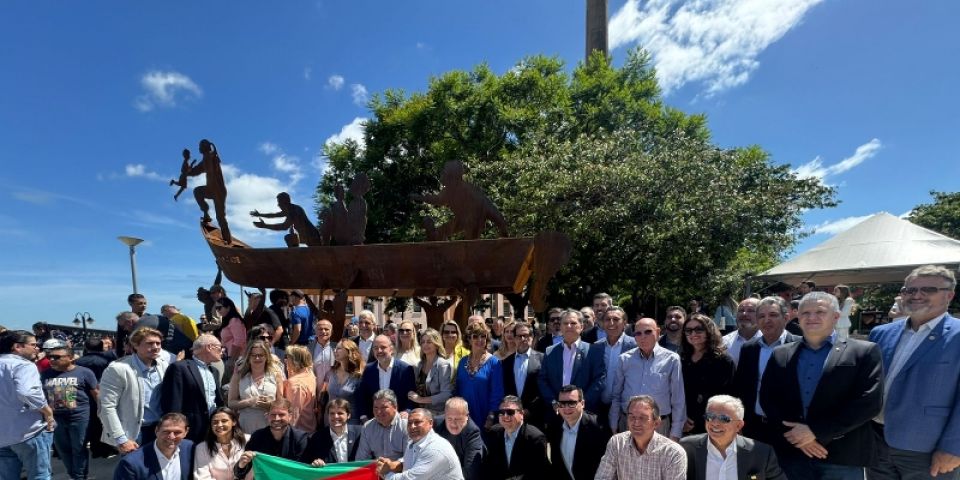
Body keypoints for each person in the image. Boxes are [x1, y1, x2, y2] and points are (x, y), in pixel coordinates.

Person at [759, 291, 883, 479]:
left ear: (836, 317)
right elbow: (768, 398)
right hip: (792, 452)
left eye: (820, 312)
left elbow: (868, 403)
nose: (812, 317)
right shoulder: (781, 353)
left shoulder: (863, 351)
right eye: (805, 313)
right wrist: (798, 436)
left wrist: (815, 432)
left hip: (842, 456)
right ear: (797, 317)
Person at [869, 265, 960, 479]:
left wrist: (954, 447)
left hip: (927, 448)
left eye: (928, 289)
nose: (916, 295)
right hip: (875, 442)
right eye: (909, 290)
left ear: (949, 295)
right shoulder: (881, 333)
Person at [732, 296, 801, 444]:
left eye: (773, 315)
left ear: (786, 318)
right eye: (761, 316)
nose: (766, 320)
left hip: (789, 430)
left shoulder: (801, 346)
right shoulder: (749, 348)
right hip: (754, 426)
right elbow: (741, 388)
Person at [609, 317, 685, 440]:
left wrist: (675, 432)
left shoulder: (671, 359)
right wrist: (613, 423)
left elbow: (678, 398)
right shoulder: (625, 359)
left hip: (658, 426)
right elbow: (616, 395)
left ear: (658, 332)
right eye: (638, 333)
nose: (643, 337)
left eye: (648, 332)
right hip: (628, 424)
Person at [679, 395, 785, 480]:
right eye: (710, 417)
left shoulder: (762, 453)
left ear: (739, 425)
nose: (715, 423)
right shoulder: (686, 448)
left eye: (724, 419)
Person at [99, 327, 170, 453]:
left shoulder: (163, 366)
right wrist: (121, 439)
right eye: (149, 343)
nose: (155, 347)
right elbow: (107, 407)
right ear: (136, 345)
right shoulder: (118, 369)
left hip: (159, 429)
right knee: (134, 465)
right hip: (134, 433)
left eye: (158, 343)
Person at [0, 330, 55, 480]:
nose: (37, 348)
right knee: (40, 475)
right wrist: (47, 411)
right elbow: (27, 392)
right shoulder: (23, 365)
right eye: (33, 345)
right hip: (28, 431)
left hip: (3, 436)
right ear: (17, 347)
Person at [40, 342, 99, 480]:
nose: (52, 360)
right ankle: (73, 475)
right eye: (50, 357)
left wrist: (103, 413)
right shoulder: (45, 374)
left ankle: (79, 476)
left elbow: (96, 393)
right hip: (56, 418)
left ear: (71, 358)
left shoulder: (84, 372)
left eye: (57, 357)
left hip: (79, 417)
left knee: (79, 448)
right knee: (63, 449)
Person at [538, 309, 605, 426]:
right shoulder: (550, 351)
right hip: (556, 414)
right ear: (561, 327)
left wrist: (580, 405)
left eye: (573, 323)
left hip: (584, 414)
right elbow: (542, 380)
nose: (569, 326)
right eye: (565, 323)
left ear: (581, 326)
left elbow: (599, 380)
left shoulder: (593, 351)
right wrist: (553, 402)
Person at [596, 395, 687, 480]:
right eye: (632, 417)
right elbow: (602, 477)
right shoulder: (617, 443)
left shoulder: (673, 453)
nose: (636, 423)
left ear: (656, 423)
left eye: (642, 418)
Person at [161, 334, 225, 443]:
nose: (222, 351)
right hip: (189, 432)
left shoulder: (214, 371)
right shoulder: (180, 367)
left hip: (212, 430)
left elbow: (217, 401)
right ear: (209, 347)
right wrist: (175, 429)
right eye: (220, 348)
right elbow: (173, 402)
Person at [679, 313, 735, 435]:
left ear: (709, 331)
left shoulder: (723, 361)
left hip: (712, 423)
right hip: (682, 422)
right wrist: (681, 417)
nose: (693, 333)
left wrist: (695, 418)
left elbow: (726, 396)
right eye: (688, 330)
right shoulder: (682, 359)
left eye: (698, 329)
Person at [375, 408, 464, 480]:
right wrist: (391, 465)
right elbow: (410, 462)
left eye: (417, 422)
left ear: (430, 423)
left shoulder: (436, 449)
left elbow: (410, 478)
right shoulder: (414, 443)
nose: (412, 426)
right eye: (409, 423)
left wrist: (386, 474)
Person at [234, 398, 310, 479]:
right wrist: (241, 464)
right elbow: (239, 474)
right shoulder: (257, 437)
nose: (276, 418)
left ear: (290, 416)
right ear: (267, 416)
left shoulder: (300, 438)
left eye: (281, 415)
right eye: (273, 415)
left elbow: (302, 471)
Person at [547, 385, 609, 480]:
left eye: (571, 403)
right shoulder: (554, 425)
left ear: (582, 403)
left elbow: (606, 466)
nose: (566, 408)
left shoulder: (598, 427)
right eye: (562, 403)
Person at [483, 396, 550, 479]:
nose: (505, 416)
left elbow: (538, 473)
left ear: (521, 414)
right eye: (502, 412)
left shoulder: (535, 438)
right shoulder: (494, 433)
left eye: (510, 412)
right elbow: (490, 468)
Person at [113, 413, 193, 480]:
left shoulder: (191, 449)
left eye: (177, 432)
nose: (171, 437)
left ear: (186, 432)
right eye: (166, 432)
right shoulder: (131, 463)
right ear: (156, 431)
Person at [455, 322, 505, 430]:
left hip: (485, 418)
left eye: (483, 336)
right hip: (464, 416)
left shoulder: (494, 362)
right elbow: (458, 389)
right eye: (475, 336)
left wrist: (491, 416)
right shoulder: (462, 362)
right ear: (469, 339)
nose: (480, 339)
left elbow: (497, 392)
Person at [229, 339, 285, 433]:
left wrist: (270, 405)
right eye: (253, 355)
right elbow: (231, 403)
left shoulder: (276, 375)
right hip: (246, 425)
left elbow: (281, 402)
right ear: (248, 357)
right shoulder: (239, 375)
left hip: (269, 425)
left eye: (260, 355)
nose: (257, 358)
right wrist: (250, 402)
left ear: (267, 356)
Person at [356, 335, 416, 421]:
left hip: (398, 419)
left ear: (391, 349)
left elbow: (411, 396)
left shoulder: (405, 369)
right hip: (374, 420)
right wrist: (363, 416)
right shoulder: (368, 369)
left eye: (383, 347)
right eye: (376, 348)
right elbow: (362, 395)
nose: (379, 351)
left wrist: (407, 411)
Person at [75, 336, 117, 458]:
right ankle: (105, 448)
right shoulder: (107, 361)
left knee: (91, 423)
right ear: (101, 347)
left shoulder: (78, 362)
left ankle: (94, 448)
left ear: (86, 347)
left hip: (84, 396)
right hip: (105, 393)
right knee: (105, 422)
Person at [502, 321, 546, 430]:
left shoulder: (543, 359)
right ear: (514, 338)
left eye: (526, 335)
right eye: (519, 336)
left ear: (532, 337)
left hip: (535, 416)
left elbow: (544, 388)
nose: (523, 339)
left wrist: (529, 410)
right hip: (511, 417)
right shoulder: (506, 363)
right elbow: (505, 389)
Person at [434, 397, 484, 480]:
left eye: (458, 419)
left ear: (467, 416)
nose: (453, 424)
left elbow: (469, 473)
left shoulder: (473, 433)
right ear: (445, 415)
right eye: (449, 419)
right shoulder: (435, 425)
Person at [250, 191, 324, 246]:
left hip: (312, 236)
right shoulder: (290, 209)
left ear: (285, 202)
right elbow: (274, 215)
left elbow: (284, 226)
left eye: (279, 202)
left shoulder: (294, 211)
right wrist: (259, 214)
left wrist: (265, 225)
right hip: (308, 237)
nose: (278, 205)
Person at [193, 407, 248, 480]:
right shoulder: (202, 448)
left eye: (224, 421)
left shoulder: (248, 441)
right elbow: (202, 477)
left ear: (234, 422)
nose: (219, 425)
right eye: (215, 422)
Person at [408, 328, 453, 415]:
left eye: (429, 342)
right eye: (423, 342)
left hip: (437, 413)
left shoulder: (443, 365)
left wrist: (421, 399)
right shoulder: (420, 364)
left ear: (436, 345)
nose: (425, 344)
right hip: (420, 412)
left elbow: (446, 394)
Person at [304, 398, 361, 466]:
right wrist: (316, 463)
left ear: (348, 415)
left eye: (340, 413)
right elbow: (309, 461)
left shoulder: (360, 433)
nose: (335, 416)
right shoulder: (317, 437)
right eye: (332, 413)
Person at [356, 389, 409, 461]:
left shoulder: (406, 425)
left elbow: (410, 457)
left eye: (384, 407)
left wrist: (393, 465)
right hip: (377, 466)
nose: (379, 412)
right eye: (376, 407)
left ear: (395, 407)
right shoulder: (368, 427)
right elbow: (361, 458)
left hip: (402, 467)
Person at [283, 345, 318, 433]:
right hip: (310, 427)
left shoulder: (295, 383)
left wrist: (288, 434)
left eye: (288, 358)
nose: (285, 360)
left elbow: (294, 413)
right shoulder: (310, 374)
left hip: (299, 431)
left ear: (295, 361)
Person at [325, 339, 364, 417]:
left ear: (349, 351)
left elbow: (363, 401)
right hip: (331, 419)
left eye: (339, 348)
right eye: (335, 348)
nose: (335, 351)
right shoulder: (332, 371)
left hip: (352, 420)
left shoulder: (359, 375)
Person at [721, 298, 762, 366]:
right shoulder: (724, 342)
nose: (744, 314)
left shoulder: (770, 341)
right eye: (741, 310)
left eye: (750, 310)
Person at [307, 318, 336, 397]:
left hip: (332, 391)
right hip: (313, 390)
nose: (323, 331)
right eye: (320, 329)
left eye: (326, 329)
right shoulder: (308, 349)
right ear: (315, 332)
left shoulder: (337, 348)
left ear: (331, 332)